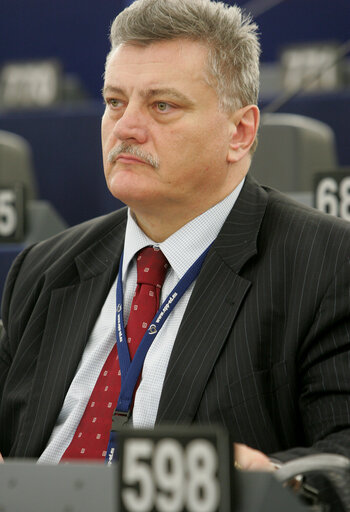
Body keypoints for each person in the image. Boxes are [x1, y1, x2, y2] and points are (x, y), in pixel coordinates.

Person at [0, 0, 350, 476]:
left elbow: (341, 456)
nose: (126, 128)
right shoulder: (42, 268)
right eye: (114, 102)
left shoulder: (327, 265)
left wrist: (266, 476)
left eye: (162, 106)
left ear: (240, 133)